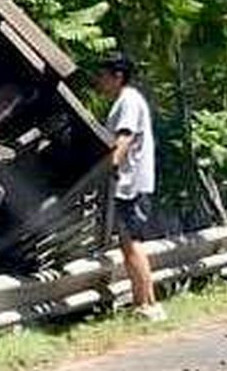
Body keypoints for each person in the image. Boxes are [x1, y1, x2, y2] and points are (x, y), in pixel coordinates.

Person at [95, 55, 167, 322]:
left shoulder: (128, 100)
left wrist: (110, 166)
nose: (99, 81)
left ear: (118, 76)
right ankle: (143, 302)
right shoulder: (126, 100)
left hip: (130, 185)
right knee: (129, 246)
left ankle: (148, 304)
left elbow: (125, 137)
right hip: (130, 183)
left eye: (103, 76)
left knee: (132, 245)